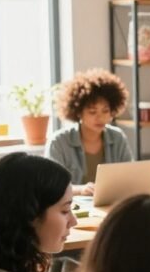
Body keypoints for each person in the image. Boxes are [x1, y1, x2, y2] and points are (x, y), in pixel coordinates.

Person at [46, 68, 132, 196]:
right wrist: (80, 190)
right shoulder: (59, 142)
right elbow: (51, 185)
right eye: (92, 112)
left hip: (111, 203)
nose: (100, 117)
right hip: (73, 208)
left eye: (105, 111)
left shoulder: (117, 137)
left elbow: (130, 176)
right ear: (79, 112)